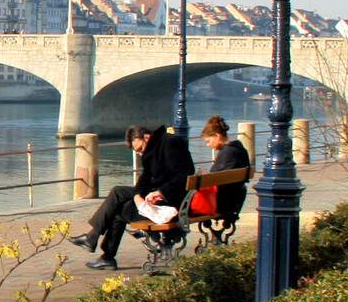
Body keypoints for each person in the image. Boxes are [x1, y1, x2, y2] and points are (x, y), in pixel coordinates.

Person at [71, 124, 195, 270]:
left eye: (140, 149)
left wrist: (161, 192)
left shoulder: (171, 143)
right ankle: (97, 244)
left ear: (146, 137)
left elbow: (185, 175)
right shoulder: (155, 148)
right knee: (118, 195)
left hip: (172, 204)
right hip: (160, 197)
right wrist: (137, 195)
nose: (141, 154)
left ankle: (100, 247)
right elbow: (146, 177)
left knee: (118, 208)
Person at [195, 116, 251, 222]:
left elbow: (213, 179)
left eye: (208, 141)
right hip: (234, 201)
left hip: (221, 204)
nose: (208, 145)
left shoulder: (227, 153)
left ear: (217, 136)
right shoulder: (239, 149)